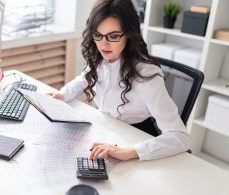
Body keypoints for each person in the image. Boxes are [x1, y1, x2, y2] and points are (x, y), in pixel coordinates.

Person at [48, 0, 191, 161]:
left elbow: (180, 137)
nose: (104, 44)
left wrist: (129, 152)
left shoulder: (147, 75)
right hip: (107, 130)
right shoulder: (98, 58)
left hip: (137, 140)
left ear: (129, 33)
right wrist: (62, 95)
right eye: (98, 35)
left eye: (114, 36)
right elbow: (83, 79)